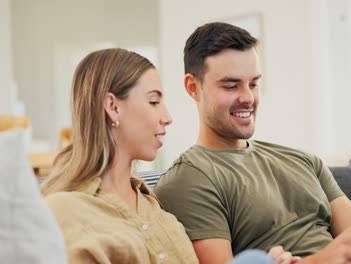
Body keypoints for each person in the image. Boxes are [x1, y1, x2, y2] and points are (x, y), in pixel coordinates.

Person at [154, 22, 351, 264]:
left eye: (253, 83)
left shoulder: (302, 160)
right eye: (231, 85)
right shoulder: (188, 178)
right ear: (193, 88)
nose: (247, 97)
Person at [41, 48, 292, 264]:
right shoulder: (66, 207)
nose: (167, 117)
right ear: (113, 107)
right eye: (153, 102)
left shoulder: (157, 209)